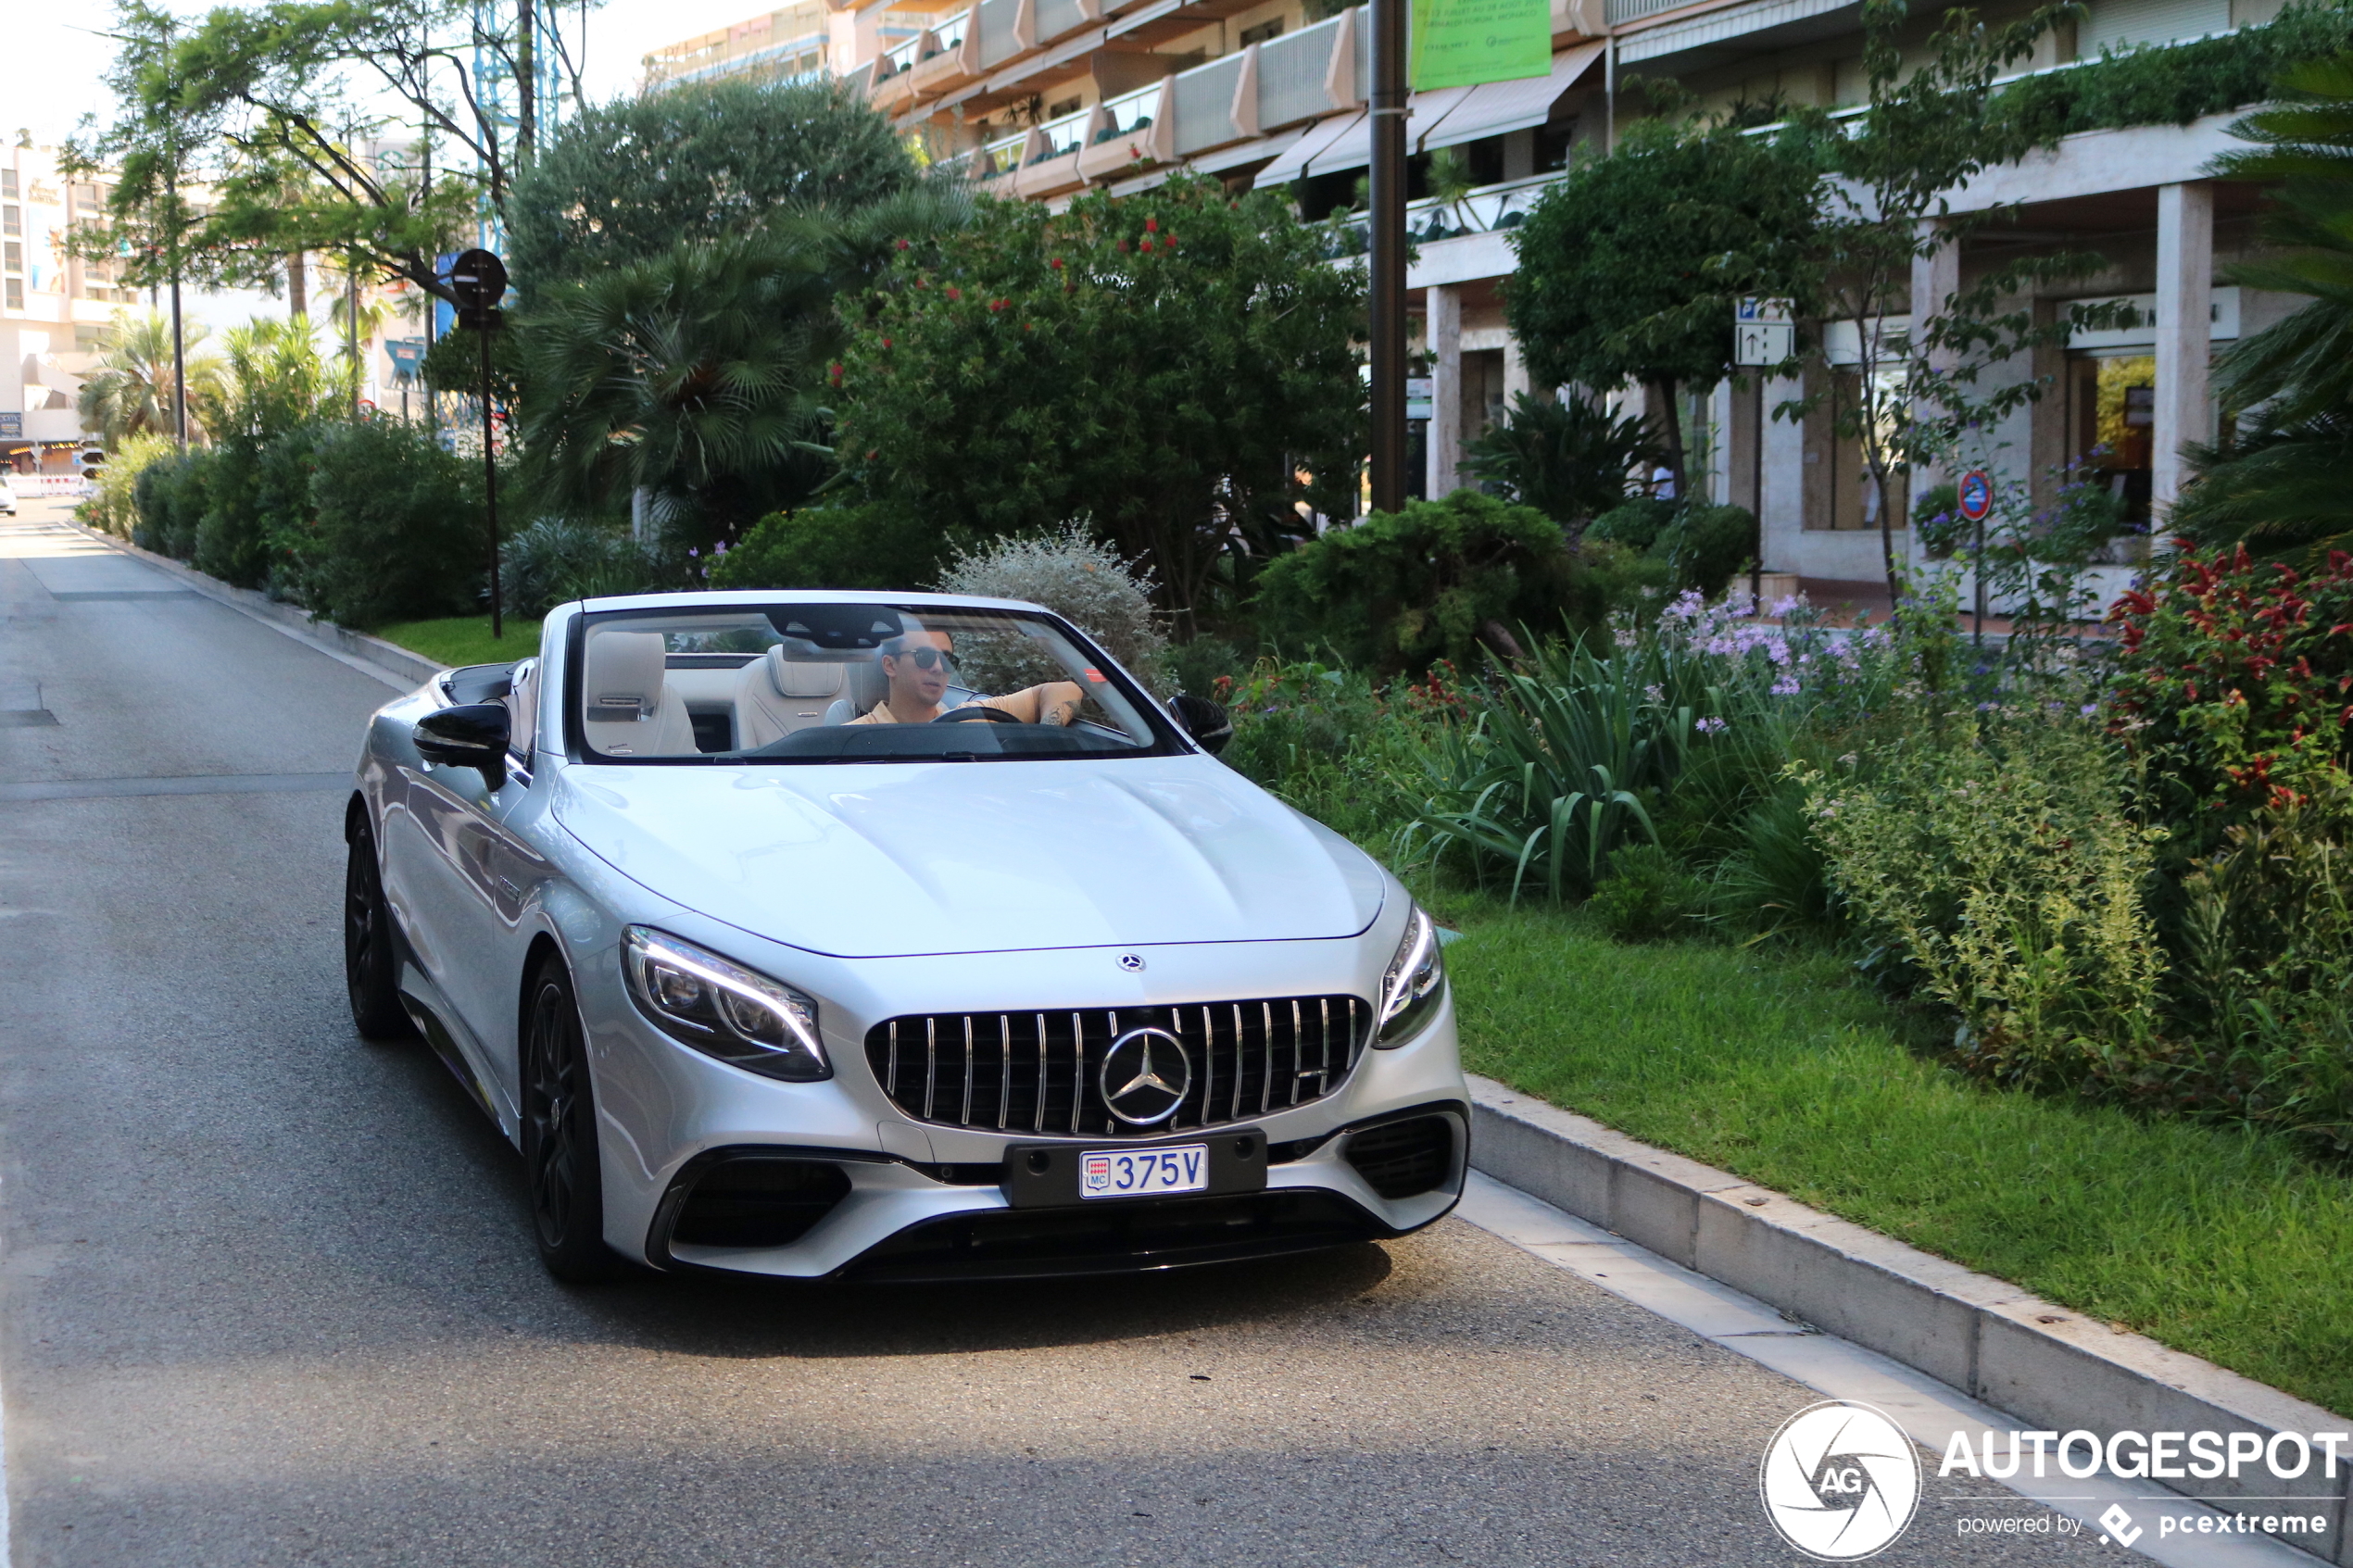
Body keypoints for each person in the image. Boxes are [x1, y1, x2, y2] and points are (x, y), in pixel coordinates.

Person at [849, 622, 1085, 726]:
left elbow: (1066, 690)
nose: (939, 668)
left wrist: (1046, 735)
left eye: (947, 660)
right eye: (925, 657)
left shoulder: (971, 718)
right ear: (890, 665)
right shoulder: (853, 739)